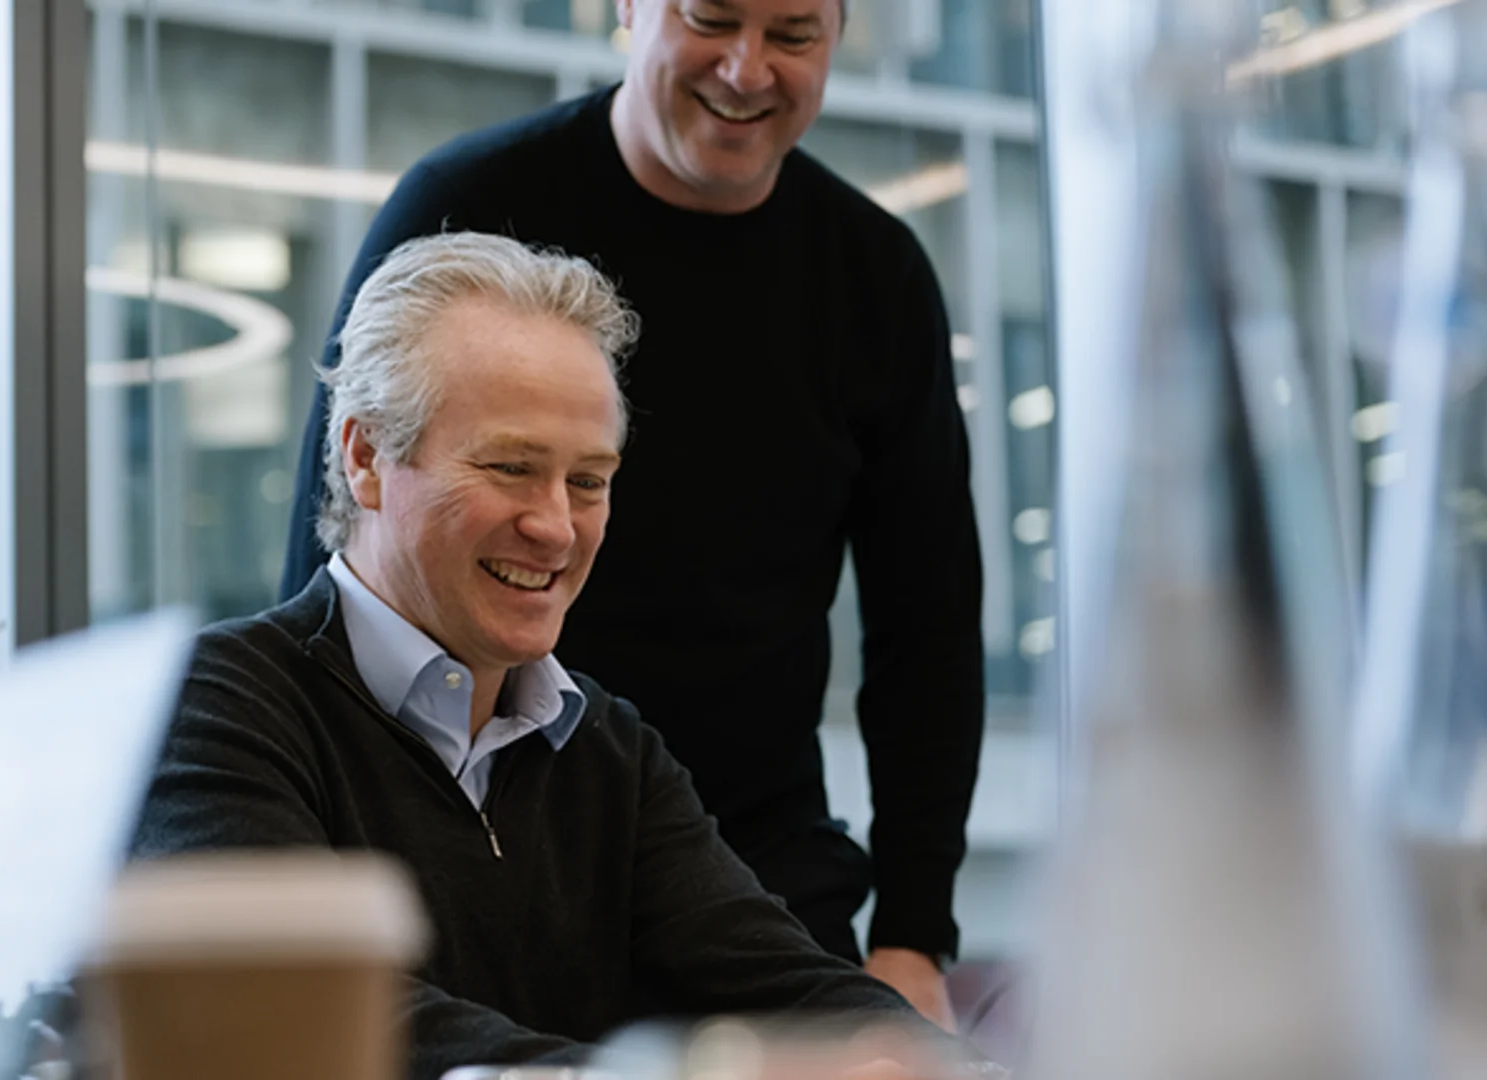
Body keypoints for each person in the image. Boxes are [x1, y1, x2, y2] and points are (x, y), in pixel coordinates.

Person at [277, 0, 984, 1029]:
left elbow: (927, 628)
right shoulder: (472, 206)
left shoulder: (873, 276)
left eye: (793, 36)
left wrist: (914, 936)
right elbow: (334, 544)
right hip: (470, 866)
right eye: (710, 18)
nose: (746, 70)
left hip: (751, 872)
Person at [133, 233, 983, 1080]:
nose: (556, 527)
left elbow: (786, 984)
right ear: (366, 457)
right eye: (510, 467)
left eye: (588, 481)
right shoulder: (216, 707)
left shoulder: (609, 750)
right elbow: (323, 1020)